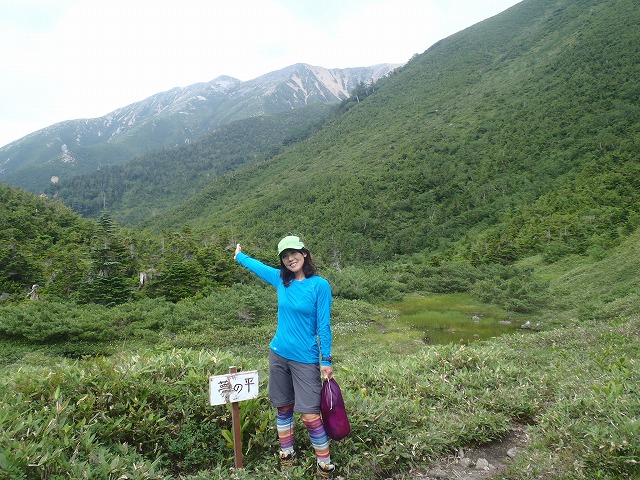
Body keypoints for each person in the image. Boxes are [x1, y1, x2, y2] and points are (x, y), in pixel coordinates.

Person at [234, 235, 336, 479]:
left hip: (305, 358)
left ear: (304, 254)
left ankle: (325, 465)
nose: (290, 259)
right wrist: (240, 257)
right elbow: (258, 268)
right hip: (278, 354)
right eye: (285, 256)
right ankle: (287, 455)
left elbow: (324, 325)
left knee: (310, 414)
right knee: (284, 408)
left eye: (294, 253)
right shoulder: (282, 281)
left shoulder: (319, 285)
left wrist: (327, 359)